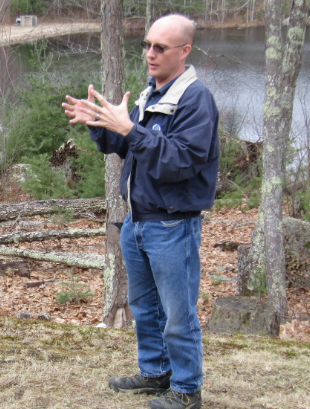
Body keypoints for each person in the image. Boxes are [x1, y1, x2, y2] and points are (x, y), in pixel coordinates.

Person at [62, 14, 219, 409]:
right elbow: (125, 146)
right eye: (147, 45)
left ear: (184, 51)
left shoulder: (194, 99)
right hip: (137, 222)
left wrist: (131, 129)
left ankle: (187, 391)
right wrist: (101, 124)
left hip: (172, 225)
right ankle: (155, 373)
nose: (150, 53)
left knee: (178, 314)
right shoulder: (151, 94)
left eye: (160, 47)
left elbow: (181, 162)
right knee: (145, 309)